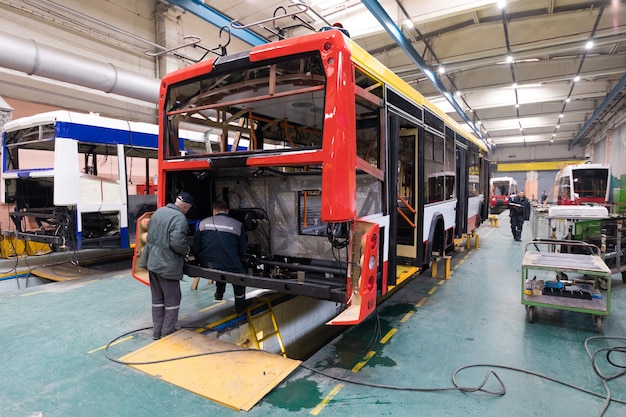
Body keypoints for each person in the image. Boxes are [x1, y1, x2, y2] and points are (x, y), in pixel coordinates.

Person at [138, 192, 194, 340]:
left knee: (157, 299)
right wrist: (186, 250)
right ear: (186, 207)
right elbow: (176, 243)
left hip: (152, 261)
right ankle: (167, 332)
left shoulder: (159, 211)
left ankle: (157, 332)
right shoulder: (180, 218)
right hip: (167, 264)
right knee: (172, 299)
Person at [194, 200, 248, 313]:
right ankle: (240, 309)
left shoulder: (203, 223)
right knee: (239, 279)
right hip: (231, 265)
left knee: (219, 268)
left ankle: (218, 296)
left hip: (208, 264)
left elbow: (197, 246)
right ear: (227, 211)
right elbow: (243, 249)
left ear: (214, 211)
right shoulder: (238, 225)